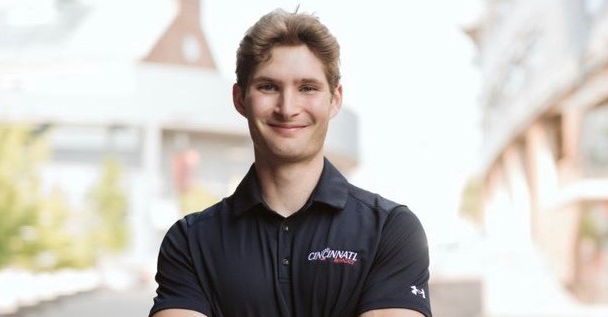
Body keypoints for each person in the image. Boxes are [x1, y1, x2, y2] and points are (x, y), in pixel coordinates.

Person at [149, 8, 432, 317]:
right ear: (240, 99)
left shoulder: (389, 230)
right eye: (268, 87)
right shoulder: (190, 241)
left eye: (307, 88)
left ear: (335, 98)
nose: (287, 108)